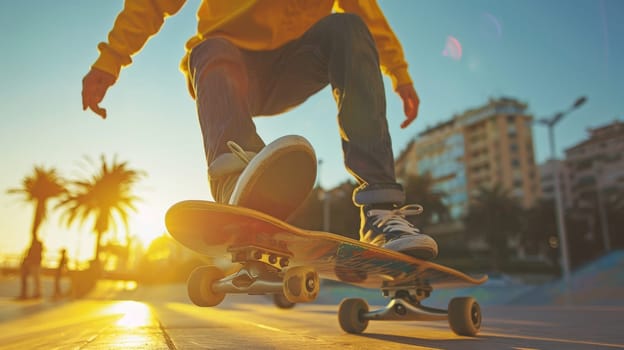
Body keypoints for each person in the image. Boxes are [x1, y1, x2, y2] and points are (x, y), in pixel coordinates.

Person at [82, 1, 438, 259]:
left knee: (348, 27)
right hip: (229, 72)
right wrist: (110, 60)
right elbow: (152, 4)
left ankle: (380, 211)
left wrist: (400, 74)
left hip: (297, 64)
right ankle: (235, 182)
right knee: (211, 49)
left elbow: (368, 15)